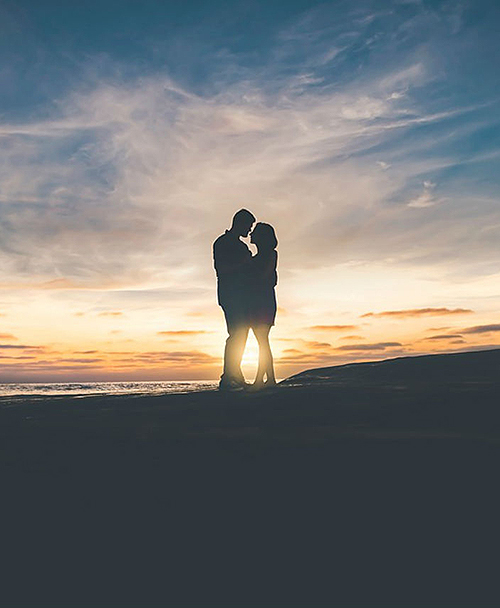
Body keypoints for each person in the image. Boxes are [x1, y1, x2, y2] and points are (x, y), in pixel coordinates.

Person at [213, 209, 256, 390]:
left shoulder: (242, 247)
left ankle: (235, 375)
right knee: (236, 334)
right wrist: (244, 263)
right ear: (239, 223)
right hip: (230, 295)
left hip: (243, 296)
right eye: (249, 226)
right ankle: (228, 377)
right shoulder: (222, 243)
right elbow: (221, 269)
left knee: (242, 334)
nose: (249, 230)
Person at [248, 222, 278, 390]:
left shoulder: (270, 254)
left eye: (255, 232)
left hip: (263, 302)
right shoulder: (256, 257)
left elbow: (264, 276)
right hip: (257, 301)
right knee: (262, 341)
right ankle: (269, 378)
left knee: (262, 341)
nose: (251, 234)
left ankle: (261, 379)